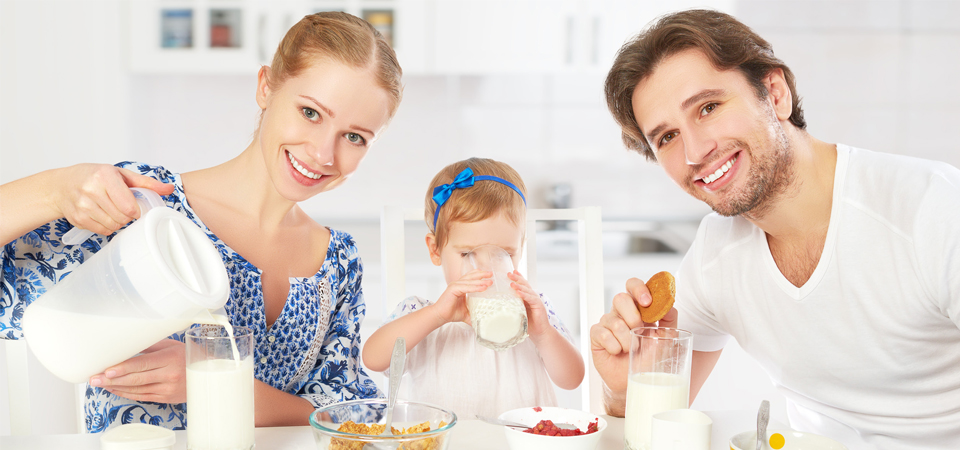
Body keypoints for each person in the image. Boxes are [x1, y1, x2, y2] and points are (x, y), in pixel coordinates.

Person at [0, 11, 402, 432]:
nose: (323, 154)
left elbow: (344, 418)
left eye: (355, 137)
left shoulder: (337, 260)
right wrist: (55, 189)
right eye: (310, 112)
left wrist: (212, 379)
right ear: (266, 87)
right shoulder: (148, 211)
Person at [590, 8, 960, 450]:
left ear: (775, 93)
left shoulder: (932, 210)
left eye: (708, 108)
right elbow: (654, 426)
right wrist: (624, 386)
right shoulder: (715, 256)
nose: (695, 151)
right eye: (666, 137)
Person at [361, 157, 585, 419]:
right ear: (435, 250)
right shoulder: (422, 312)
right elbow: (373, 358)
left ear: (520, 249)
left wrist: (543, 334)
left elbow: (572, 379)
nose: (487, 269)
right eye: (467, 253)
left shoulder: (533, 312)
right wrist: (436, 317)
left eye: (504, 253)